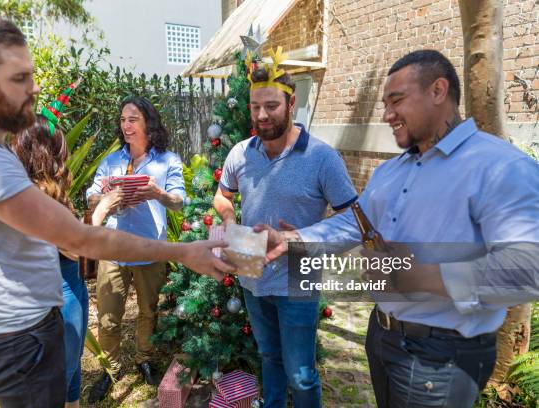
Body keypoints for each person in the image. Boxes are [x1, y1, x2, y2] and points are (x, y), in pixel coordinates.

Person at [0, 12, 232, 408]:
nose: (34, 88)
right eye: (20, 78)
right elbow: (78, 239)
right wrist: (181, 250)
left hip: (21, 333)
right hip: (17, 341)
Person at [258, 50, 539, 407]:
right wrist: (294, 239)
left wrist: (421, 276)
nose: (388, 115)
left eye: (397, 100)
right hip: (382, 336)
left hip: (444, 355)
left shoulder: (501, 167)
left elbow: (529, 271)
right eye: (385, 104)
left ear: (438, 91)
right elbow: (355, 222)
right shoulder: (391, 172)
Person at [213, 47, 358, 408]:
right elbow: (222, 196)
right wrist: (232, 222)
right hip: (251, 269)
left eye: (271, 106)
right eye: (254, 106)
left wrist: (304, 237)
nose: (261, 115)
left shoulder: (322, 157)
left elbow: (354, 219)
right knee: (269, 357)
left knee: (301, 372)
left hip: (298, 272)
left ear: (291, 104)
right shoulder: (240, 153)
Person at [10, 83, 123, 408]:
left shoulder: (42, 194)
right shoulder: (35, 202)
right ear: (48, 154)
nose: (66, 152)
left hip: (72, 291)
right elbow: (77, 249)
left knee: (72, 378)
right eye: (61, 146)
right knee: (60, 379)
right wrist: (102, 209)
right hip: (58, 304)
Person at [86, 95, 186, 400]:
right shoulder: (112, 161)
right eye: (122, 120)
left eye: (133, 119)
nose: (126, 126)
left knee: (148, 310)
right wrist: (101, 195)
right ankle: (110, 368)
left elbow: (180, 203)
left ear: (148, 123)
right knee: (108, 315)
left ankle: (144, 359)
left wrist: (157, 193)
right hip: (113, 247)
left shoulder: (168, 161)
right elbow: (90, 197)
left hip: (148, 248)